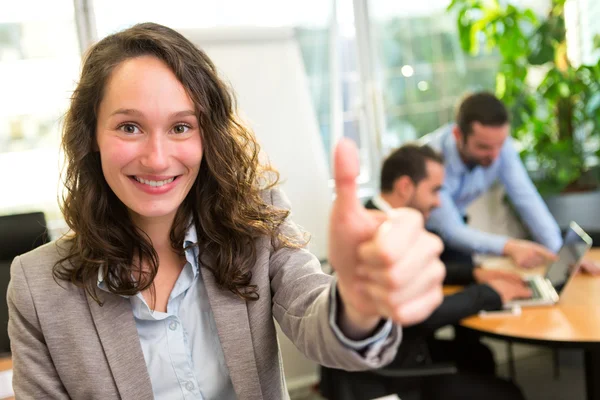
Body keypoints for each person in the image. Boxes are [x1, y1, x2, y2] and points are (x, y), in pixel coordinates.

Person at [7, 23, 446, 400]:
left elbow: (320, 323)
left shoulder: (255, 222)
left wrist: (358, 300)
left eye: (181, 127)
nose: (158, 158)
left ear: (208, 136)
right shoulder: (37, 288)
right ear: (93, 136)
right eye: (129, 127)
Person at [320, 144, 528, 400]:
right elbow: (420, 314)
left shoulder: (382, 216)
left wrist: (474, 273)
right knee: (509, 394)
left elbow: (409, 274)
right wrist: (490, 293)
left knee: (480, 355)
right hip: (386, 375)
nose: (439, 201)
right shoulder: (373, 233)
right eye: (435, 190)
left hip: (403, 350)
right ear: (405, 187)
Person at [423, 92, 583, 270]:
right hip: (425, 235)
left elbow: (526, 197)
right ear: (457, 135)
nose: (495, 156)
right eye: (483, 147)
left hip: (456, 226)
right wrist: (510, 247)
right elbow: (450, 229)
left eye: (500, 145)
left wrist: (560, 254)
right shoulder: (430, 161)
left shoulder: (498, 146)